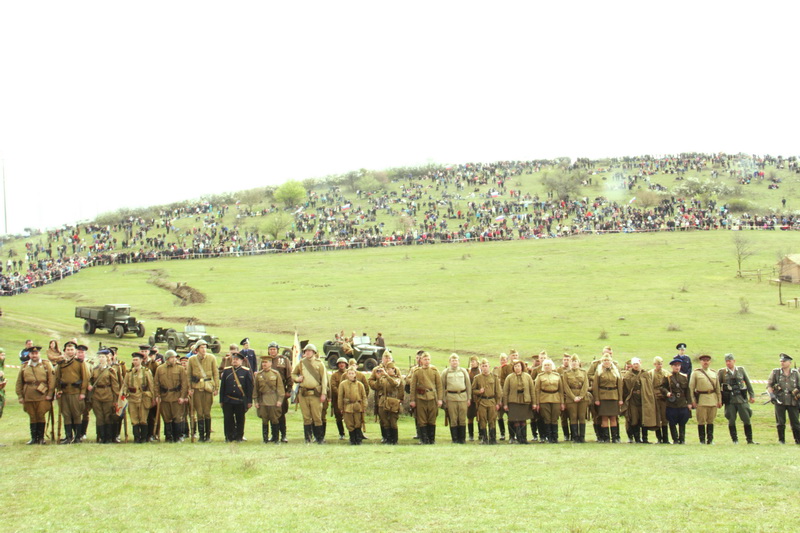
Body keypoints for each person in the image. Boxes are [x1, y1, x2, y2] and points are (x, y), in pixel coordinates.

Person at [15, 346, 55, 444]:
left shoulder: (46, 365)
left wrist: (50, 394)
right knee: (32, 416)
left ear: (39, 354)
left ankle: (41, 438)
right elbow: (19, 382)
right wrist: (20, 396)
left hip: (43, 395)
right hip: (29, 396)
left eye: (36, 353)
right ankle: (33, 438)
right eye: (32, 354)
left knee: (41, 415)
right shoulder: (24, 366)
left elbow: (52, 380)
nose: (34, 355)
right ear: (29, 355)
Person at [292, 344, 328, 444]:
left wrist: (323, 393)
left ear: (314, 352)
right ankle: (308, 438)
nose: (307, 352)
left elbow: (324, 379)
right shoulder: (301, 363)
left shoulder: (319, 364)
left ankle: (319, 438)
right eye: (306, 351)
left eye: (310, 351)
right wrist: (297, 379)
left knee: (317, 417)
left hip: (316, 393)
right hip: (303, 393)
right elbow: (293, 374)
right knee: (306, 417)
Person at [717, 353, 757, 444]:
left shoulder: (741, 370)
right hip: (729, 400)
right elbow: (718, 387)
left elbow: (748, 383)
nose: (728, 363)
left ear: (734, 361)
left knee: (746, 418)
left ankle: (749, 440)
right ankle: (735, 440)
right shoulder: (722, 372)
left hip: (741, 399)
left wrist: (752, 395)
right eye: (726, 361)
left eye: (730, 361)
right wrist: (719, 400)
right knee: (731, 419)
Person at [54, 341, 88, 444]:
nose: (70, 351)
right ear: (65, 351)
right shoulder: (61, 363)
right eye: (68, 349)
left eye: (72, 349)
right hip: (64, 393)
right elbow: (57, 377)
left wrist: (82, 392)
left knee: (77, 414)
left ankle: (77, 437)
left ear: (75, 351)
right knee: (66, 415)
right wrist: (58, 390)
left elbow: (85, 378)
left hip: (76, 392)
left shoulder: (80, 363)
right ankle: (68, 436)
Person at [187, 340, 219, 442]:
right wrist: (189, 388)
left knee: (207, 412)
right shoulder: (192, 360)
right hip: (196, 388)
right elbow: (188, 375)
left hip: (208, 387)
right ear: (197, 349)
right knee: (199, 412)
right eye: (201, 347)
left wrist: (216, 388)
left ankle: (208, 436)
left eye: (205, 347)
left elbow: (215, 373)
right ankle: (201, 436)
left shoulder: (212, 358)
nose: (204, 349)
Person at [154, 350, 189, 443]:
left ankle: (177, 436)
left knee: (177, 417)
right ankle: (168, 437)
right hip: (165, 396)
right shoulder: (160, 369)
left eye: (175, 357)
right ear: (167, 358)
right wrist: (157, 395)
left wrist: (182, 396)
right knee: (166, 417)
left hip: (176, 396)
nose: (174, 359)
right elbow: (156, 383)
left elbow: (184, 384)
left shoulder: (180, 368)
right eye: (172, 357)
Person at [409, 352, 443, 445]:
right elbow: (412, 387)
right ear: (421, 360)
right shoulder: (417, 372)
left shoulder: (434, 371)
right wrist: (412, 400)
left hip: (432, 397)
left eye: (428, 359)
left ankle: (432, 439)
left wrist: (440, 399)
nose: (427, 361)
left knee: (432, 419)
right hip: (420, 398)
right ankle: (423, 439)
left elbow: (439, 386)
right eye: (425, 359)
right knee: (422, 419)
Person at [766, 353, 800, 444]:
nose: (782, 363)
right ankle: (781, 440)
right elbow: (769, 385)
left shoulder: (795, 373)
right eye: (781, 361)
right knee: (780, 422)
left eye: (784, 361)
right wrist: (772, 395)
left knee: (795, 422)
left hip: (793, 401)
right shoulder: (775, 372)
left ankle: (798, 440)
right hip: (780, 400)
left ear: (789, 363)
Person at [219, 352, 253, 442]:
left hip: (240, 400)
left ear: (241, 361)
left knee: (240, 419)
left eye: (237, 359)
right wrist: (221, 400)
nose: (235, 361)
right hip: (228, 399)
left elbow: (249, 388)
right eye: (233, 359)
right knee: (228, 419)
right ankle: (228, 436)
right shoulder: (227, 371)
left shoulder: (246, 371)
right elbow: (222, 387)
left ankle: (239, 436)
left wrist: (249, 401)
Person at [122, 352, 155, 443]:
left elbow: (151, 385)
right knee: (134, 419)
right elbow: (125, 385)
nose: (135, 362)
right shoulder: (129, 373)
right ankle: (136, 437)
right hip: (132, 398)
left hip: (143, 398)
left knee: (143, 419)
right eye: (134, 360)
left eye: (137, 360)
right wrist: (124, 393)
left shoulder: (146, 371)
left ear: (141, 360)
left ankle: (144, 437)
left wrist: (153, 397)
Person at [689, 354, 722, 445]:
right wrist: (693, 401)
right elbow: (691, 388)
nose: (705, 362)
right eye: (703, 360)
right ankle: (702, 440)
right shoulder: (695, 373)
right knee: (701, 421)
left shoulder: (714, 373)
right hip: (701, 400)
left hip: (712, 399)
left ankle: (710, 439)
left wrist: (719, 400)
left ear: (710, 362)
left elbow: (718, 388)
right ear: (700, 362)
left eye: (707, 360)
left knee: (711, 420)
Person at [88, 352, 120, 444]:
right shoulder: (95, 370)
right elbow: (90, 380)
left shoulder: (111, 370)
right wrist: (89, 385)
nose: (101, 359)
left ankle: (108, 437)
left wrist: (116, 398)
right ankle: (101, 437)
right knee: (99, 416)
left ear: (107, 358)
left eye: (103, 357)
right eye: (100, 357)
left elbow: (115, 385)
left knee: (108, 416)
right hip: (97, 395)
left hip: (108, 394)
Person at [592, 353, 624, 443]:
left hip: (614, 396)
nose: (606, 362)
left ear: (611, 361)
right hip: (603, 397)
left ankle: (615, 438)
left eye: (608, 360)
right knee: (604, 418)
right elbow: (595, 386)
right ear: (602, 361)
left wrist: (620, 399)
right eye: (605, 360)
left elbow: (620, 386)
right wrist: (597, 399)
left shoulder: (616, 371)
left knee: (613, 417)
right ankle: (606, 438)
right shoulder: (598, 371)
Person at [440, 353, 471, 444]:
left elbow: (468, 385)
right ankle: (455, 439)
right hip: (451, 398)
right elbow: (442, 386)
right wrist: (443, 399)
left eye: (456, 360)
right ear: (450, 362)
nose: (455, 362)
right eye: (453, 360)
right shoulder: (446, 372)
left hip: (462, 397)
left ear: (459, 362)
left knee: (462, 418)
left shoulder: (463, 371)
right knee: (453, 419)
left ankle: (462, 439)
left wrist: (469, 398)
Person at [502, 359, 534, 443]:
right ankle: (519, 438)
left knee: (523, 420)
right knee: (516, 420)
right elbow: (505, 392)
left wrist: (533, 403)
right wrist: (505, 404)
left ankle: (524, 438)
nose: (517, 368)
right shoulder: (509, 377)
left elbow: (532, 390)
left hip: (525, 400)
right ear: (513, 367)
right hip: (513, 401)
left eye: (518, 366)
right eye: (515, 366)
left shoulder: (528, 376)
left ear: (522, 367)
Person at [254, 355, 284, 444]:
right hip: (263, 400)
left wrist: (280, 400)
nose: (264, 364)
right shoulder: (258, 375)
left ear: (270, 363)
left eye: (266, 362)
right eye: (263, 362)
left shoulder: (275, 374)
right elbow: (255, 389)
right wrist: (256, 401)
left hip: (273, 399)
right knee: (264, 419)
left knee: (274, 419)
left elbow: (280, 388)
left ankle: (276, 438)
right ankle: (265, 439)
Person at [534, 359, 565, 443]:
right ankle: (549, 437)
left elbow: (561, 390)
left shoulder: (557, 375)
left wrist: (562, 402)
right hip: (544, 399)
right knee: (547, 418)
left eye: (549, 365)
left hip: (556, 399)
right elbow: (537, 390)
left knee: (554, 418)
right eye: (545, 365)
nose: (547, 366)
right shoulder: (540, 376)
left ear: (552, 366)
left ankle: (555, 437)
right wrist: (537, 403)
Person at [471, 358, 501, 444]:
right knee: (482, 420)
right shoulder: (477, 378)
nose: (484, 368)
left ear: (489, 366)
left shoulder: (494, 377)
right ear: (480, 367)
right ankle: (484, 439)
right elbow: (473, 390)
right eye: (483, 366)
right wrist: (478, 391)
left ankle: (493, 439)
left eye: (486, 366)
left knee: (492, 420)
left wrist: (498, 402)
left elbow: (498, 391)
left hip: (492, 401)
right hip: (482, 402)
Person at [662, 357, 691, 444]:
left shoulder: (684, 377)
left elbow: (687, 391)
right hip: (672, 403)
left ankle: (682, 439)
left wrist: (689, 402)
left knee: (682, 422)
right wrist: (667, 393)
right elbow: (662, 387)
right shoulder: (667, 377)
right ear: (672, 366)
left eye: (678, 365)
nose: (677, 367)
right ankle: (675, 439)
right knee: (672, 422)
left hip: (682, 403)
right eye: (675, 365)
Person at [562, 354, 589, 443]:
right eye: (572, 361)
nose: (574, 363)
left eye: (576, 361)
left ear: (579, 362)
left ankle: (582, 437)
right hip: (571, 398)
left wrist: (581, 396)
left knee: (581, 417)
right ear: (570, 363)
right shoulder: (566, 373)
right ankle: (575, 437)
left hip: (583, 398)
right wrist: (573, 397)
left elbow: (586, 385)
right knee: (573, 417)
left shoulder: (583, 372)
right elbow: (566, 387)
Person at [268, 342, 292, 442]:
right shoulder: (266, 360)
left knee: (281, 414)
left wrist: (288, 390)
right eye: (271, 349)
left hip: (281, 391)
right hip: (268, 392)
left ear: (277, 350)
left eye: (274, 349)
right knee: (271, 414)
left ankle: (283, 435)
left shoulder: (284, 360)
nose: (272, 351)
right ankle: (274, 435)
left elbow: (289, 376)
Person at [368, 351, 394, 443]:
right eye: (386, 358)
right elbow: (371, 382)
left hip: (392, 397)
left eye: (389, 358)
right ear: (382, 359)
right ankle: (385, 436)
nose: (387, 360)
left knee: (392, 417)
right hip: (380, 396)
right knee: (382, 418)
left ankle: (392, 437)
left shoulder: (394, 368)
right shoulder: (377, 369)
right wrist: (377, 382)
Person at [338, 367, 367, 445]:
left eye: (352, 373)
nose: (351, 375)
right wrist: (341, 407)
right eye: (349, 373)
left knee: (358, 422)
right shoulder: (343, 384)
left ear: (355, 374)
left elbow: (364, 396)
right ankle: (352, 439)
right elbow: (340, 396)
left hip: (358, 406)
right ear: (347, 374)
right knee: (349, 423)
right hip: (347, 407)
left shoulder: (360, 385)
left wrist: (364, 406)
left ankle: (358, 439)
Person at [377, 361, 403, 445]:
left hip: (393, 402)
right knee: (385, 421)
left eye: (389, 369)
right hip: (383, 401)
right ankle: (387, 439)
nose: (387, 371)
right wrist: (378, 378)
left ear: (393, 369)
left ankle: (394, 440)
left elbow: (395, 384)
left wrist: (387, 376)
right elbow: (378, 387)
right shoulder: (383, 378)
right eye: (386, 369)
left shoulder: (397, 378)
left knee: (393, 421)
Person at [649, 357, 671, 444]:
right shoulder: (650, 373)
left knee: (664, 418)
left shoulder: (666, 373)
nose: (660, 366)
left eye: (661, 364)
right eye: (658, 364)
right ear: (654, 364)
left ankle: (665, 439)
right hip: (654, 398)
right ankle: (659, 438)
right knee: (657, 418)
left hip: (664, 398)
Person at [329, 357, 349, 440]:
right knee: (338, 417)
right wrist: (341, 394)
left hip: (348, 400)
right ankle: (342, 433)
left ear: (346, 364)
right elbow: (333, 386)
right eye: (340, 363)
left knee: (350, 417)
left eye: (343, 363)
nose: (341, 364)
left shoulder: (349, 374)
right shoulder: (334, 375)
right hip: (337, 399)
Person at [555, 353, 572, 441]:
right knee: (563, 417)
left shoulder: (573, 369)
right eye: (564, 360)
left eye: (568, 360)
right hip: (562, 395)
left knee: (572, 416)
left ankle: (573, 434)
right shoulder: (559, 370)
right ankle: (566, 434)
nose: (566, 361)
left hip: (571, 396)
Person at [492, 353, 509, 440]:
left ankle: (512, 434)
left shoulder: (509, 369)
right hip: (499, 395)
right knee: (499, 416)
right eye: (501, 360)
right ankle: (502, 433)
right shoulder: (496, 370)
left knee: (510, 415)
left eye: (504, 359)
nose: (503, 361)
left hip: (507, 395)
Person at [466, 355, 480, 441]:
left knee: (479, 417)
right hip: (470, 397)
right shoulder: (468, 371)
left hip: (479, 398)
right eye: (471, 362)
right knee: (470, 417)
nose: (472, 363)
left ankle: (480, 434)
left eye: (473, 361)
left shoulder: (480, 371)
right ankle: (471, 435)